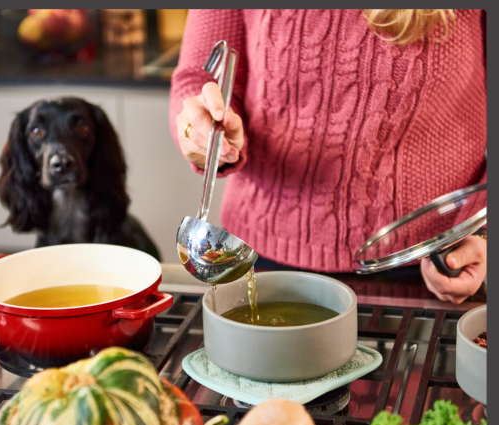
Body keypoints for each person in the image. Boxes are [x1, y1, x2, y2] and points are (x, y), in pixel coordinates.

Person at [170, 9, 486, 304]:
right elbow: (199, 78)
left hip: (436, 261)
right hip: (258, 258)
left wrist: (485, 234)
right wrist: (202, 132)